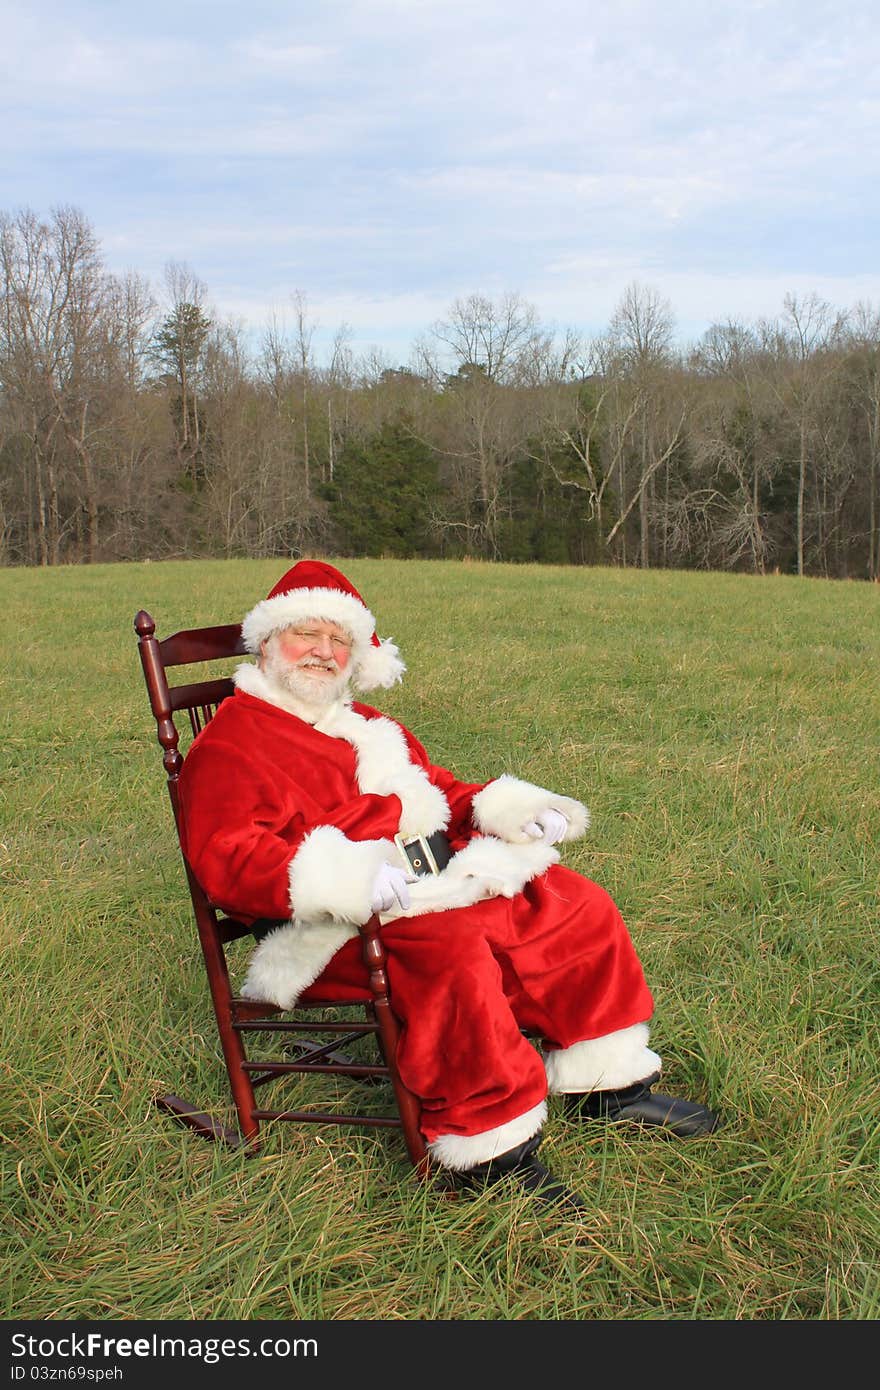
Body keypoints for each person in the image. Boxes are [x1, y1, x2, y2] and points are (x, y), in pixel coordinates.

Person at [178, 560, 718, 1209]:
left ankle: (608, 1085)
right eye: (305, 634)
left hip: (426, 884)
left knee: (571, 901)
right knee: (451, 945)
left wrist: (501, 807)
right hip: (327, 924)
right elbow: (230, 860)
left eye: (338, 639)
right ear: (268, 643)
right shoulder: (229, 747)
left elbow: (437, 790)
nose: (323, 651)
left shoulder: (370, 727)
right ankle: (489, 1151)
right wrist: (351, 873)